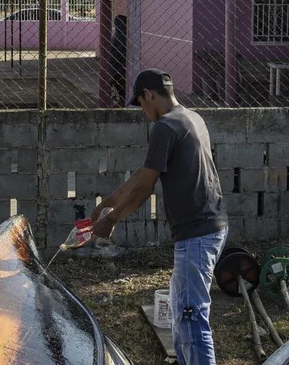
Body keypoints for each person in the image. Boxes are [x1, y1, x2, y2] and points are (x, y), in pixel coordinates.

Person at [91, 69, 227, 365]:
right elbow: (145, 173)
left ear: (149, 95)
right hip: (208, 226)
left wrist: (111, 219)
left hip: (197, 231)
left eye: (140, 103)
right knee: (181, 309)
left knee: (192, 315)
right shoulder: (192, 118)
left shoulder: (165, 127)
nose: (142, 111)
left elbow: (145, 188)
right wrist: (111, 201)